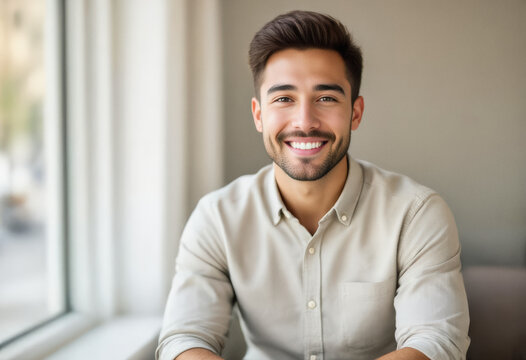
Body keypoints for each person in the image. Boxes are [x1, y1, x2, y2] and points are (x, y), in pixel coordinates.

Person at [156, 10, 470, 360]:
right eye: (284, 99)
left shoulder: (416, 213)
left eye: (326, 98)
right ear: (259, 115)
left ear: (355, 112)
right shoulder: (217, 218)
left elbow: (436, 342)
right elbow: (184, 339)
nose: (305, 122)